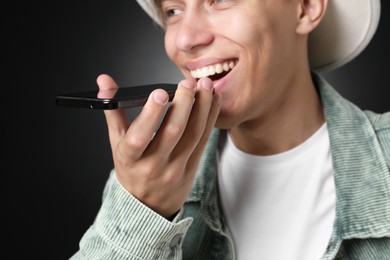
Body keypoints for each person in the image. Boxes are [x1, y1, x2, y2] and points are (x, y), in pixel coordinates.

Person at [70, 0, 390, 259]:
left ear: (305, 8)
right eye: (173, 10)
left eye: (220, 0)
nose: (186, 39)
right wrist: (142, 212)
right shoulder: (149, 179)